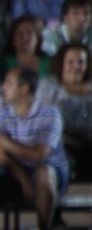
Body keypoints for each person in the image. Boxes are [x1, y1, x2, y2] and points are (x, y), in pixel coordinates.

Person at [0, 67, 69, 230]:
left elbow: (38, 156)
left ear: (24, 89)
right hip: (17, 171)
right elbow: (0, 158)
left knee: (44, 173)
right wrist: (22, 177)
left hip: (53, 171)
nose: (3, 87)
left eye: (8, 83)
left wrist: (5, 142)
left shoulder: (50, 114)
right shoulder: (1, 113)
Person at [36, 43, 92, 180]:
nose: (76, 67)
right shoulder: (49, 85)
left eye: (81, 62)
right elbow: (42, 119)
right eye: (71, 62)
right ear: (62, 63)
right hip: (61, 140)